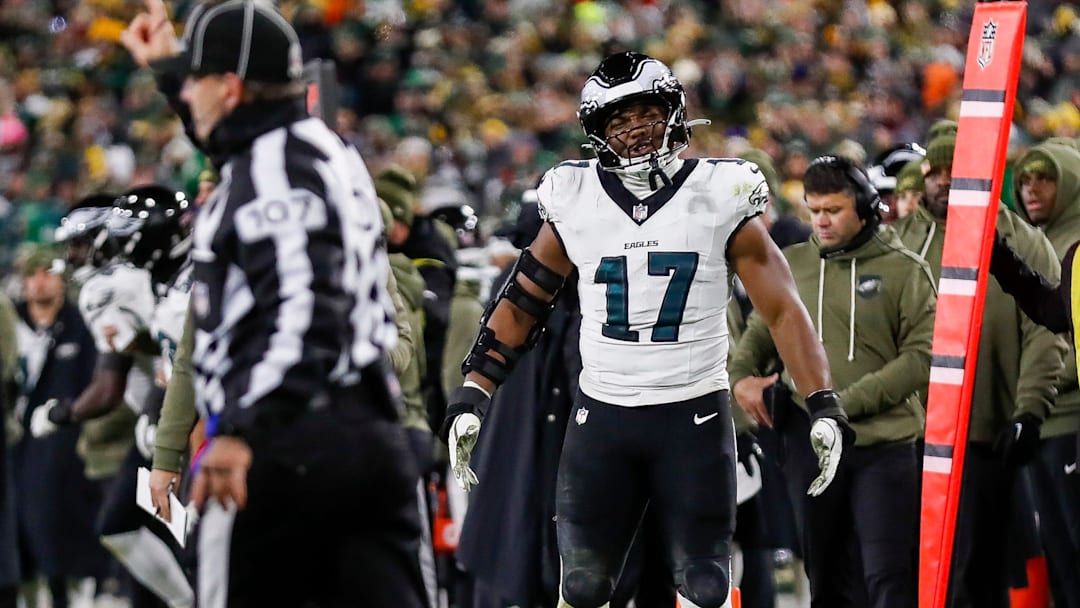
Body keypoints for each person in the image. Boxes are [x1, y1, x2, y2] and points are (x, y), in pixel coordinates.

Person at [441, 51, 851, 608]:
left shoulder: (718, 191)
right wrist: (474, 390)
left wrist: (822, 400)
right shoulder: (574, 195)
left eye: (645, 114)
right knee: (582, 586)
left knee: (707, 584)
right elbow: (523, 298)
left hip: (694, 415)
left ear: (674, 115)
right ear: (597, 132)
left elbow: (782, 309)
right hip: (603, 415)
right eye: (618, 120)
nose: (634, 130)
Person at [122, 1, 428, 605]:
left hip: (289, 441)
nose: (189, 91)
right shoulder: (316, 147)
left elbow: (304, 309)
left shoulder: (277, 172)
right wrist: (167, 71)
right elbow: (243, 146)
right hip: (362, 437)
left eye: (195, 78)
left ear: (230, 87)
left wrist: (239, 431)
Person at [729, 156, 936, 608]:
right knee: (826, 577)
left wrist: (842, 405)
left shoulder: (906, 269)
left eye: (833, 210)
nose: (820, 220)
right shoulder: (793, 264)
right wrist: (741, 376)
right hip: (812, 447)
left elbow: (921, 357)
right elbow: (762, 329)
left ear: (865, 207)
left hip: (885, 445)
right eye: (813, 209)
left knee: (889, 577)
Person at [892, 131, 1066, 608]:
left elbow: (1045, 332)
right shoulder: (897, 243)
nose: (946, 181)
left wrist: (1029, 410)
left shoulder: (1021, 240)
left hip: (985, 434)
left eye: (957, 170)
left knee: (976, 570)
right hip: (907, 437)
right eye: (937, 171)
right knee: (905, 569)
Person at [998, 139, 1080, 608]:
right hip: (1040, 417)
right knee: (1059, 554)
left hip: (1068, 416)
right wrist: (1001, 260)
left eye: (1044, 179)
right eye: (1024, 181)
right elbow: (1053, 313)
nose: (1032, 190)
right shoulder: (1047, 244)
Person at [12, 246, 109, 607]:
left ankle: (66, 592)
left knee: (54, 531)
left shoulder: (80, 325)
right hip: (15, 439)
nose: (39, 282)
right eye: (32, 274)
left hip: (61, 445)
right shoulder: (11, 322)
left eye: (46, 273)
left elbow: (94, 386)